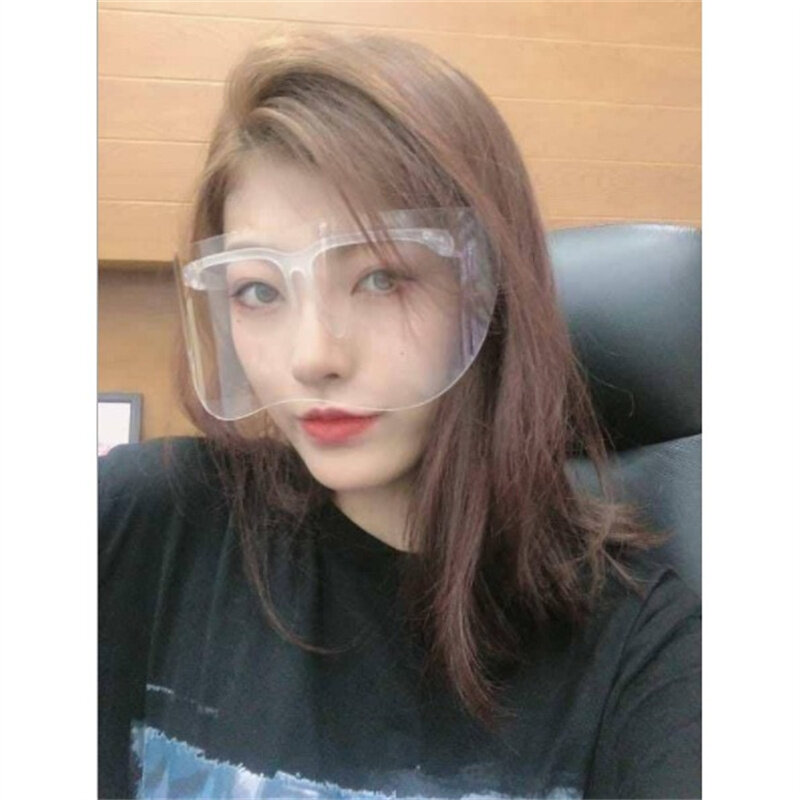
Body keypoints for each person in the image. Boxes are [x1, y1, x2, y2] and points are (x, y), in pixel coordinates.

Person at [99, 31, 701, 800]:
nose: (312, 357)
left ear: (488, 288)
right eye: (257, 291)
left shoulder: (640, 650)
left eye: (382, 279)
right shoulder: (146, 523)